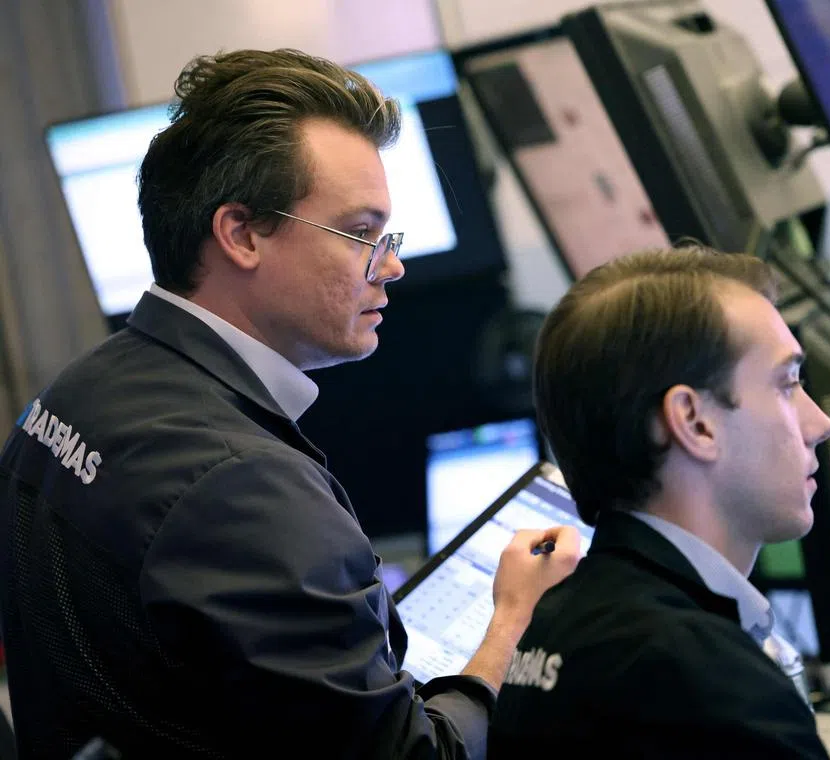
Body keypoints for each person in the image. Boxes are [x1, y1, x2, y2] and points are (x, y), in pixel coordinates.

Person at [0, 49, 580, 759]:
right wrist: (511, 623)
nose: (392, 265)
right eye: (360, 234)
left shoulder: (76, 391)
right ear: (241, 234)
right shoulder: (244, 486)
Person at [489, 247, 830, 758]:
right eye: (787, 384)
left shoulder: (556, 621)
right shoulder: (712, 683)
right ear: (695, 422)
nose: (821, 424)